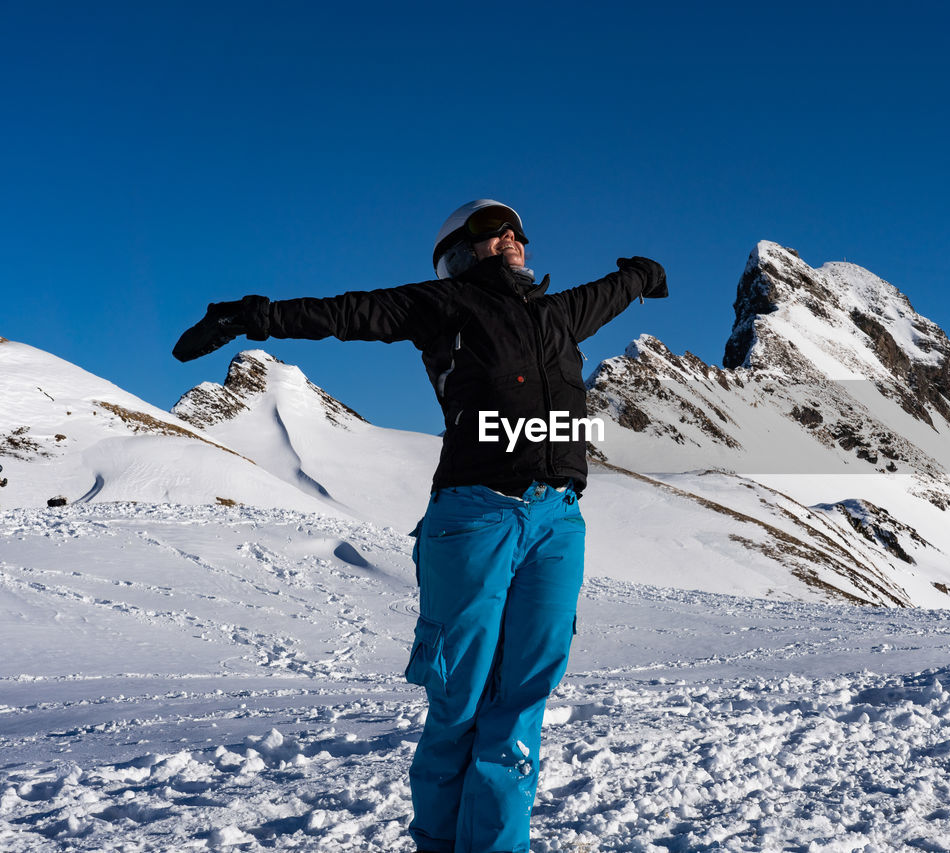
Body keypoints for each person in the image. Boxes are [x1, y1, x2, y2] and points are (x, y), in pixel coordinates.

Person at [171, 199, 667, 852]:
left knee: (520, 707)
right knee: (458, 704)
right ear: (462, 249)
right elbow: (347, 313)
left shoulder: (557, 313)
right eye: (495, 229)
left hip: (557, 523)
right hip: (474, 516)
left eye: (517, 228)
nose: (512, 236)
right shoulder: (446, 304)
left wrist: (639, 275)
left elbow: (608, 292)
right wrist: (252, 316)